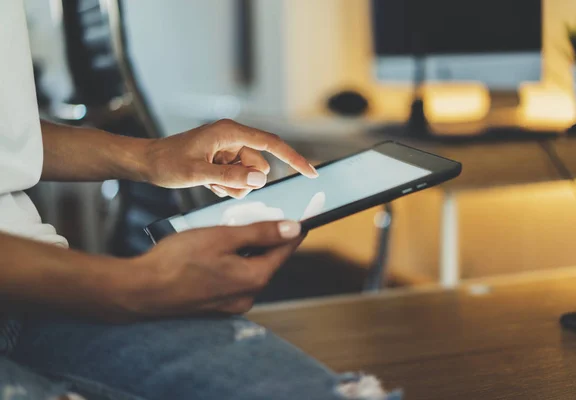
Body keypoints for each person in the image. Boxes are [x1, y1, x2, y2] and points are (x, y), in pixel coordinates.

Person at [0, 1, 401, 399]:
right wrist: (126, 284)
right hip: (74, 284)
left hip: (47, 291)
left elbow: (9, 135)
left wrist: (150, 157)